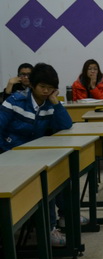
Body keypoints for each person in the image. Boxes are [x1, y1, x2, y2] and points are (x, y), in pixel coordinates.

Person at [0, 63, 73, 247]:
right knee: (44, 182)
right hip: (11, 154)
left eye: (50, 88)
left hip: (35, 155)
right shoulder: (15, 100)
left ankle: (66, 216)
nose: (46, 91)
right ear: (32, 85)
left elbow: (66, 125)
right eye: (42, 87)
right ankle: (49, 228)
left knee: (59, 174)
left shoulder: (50, 103)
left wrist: (56, 102)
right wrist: (6, 152)